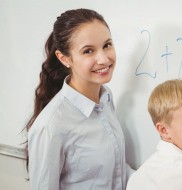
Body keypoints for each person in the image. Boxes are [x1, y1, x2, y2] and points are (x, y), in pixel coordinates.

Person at [25, 8, 134, 190]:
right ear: (64, 58)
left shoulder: (106, 98)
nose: (103, 59)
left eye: (107, 45)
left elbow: (116, 170)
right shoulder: (50, 126)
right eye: (88, 51)